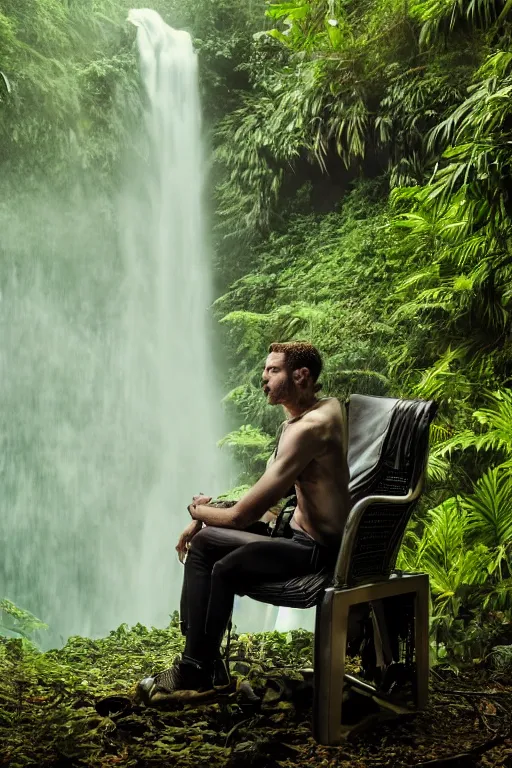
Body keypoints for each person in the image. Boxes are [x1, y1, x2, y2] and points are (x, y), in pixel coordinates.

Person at [137, 341, 350, 704]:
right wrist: (207, 521)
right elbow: (264, 500)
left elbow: (242, 516)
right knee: (205, 542)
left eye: (272, 371)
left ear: (300, 376)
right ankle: (203, 666)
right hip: (292, 532)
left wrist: (198, 513)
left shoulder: (308, 429)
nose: (263, 379)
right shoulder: (320, 410)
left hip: (314, 551)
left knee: (220, 563)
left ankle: (196, 669)